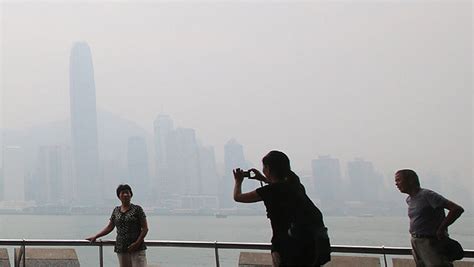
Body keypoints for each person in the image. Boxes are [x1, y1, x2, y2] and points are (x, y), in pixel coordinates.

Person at [233, 150, 330, 267]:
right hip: (312, 246)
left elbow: (238, 197)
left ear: (268, 168)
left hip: (287, 248)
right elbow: (280, 187)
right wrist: (264, 179)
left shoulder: (269, 191)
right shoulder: (296, 186)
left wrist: (238, 181)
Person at [395, 169, 464, 267]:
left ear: (410, 180)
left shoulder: (427, 195)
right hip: (416, 241)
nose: (396, 184)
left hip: (431, 241)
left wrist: (441, 228)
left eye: (398, 180)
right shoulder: (409, 199)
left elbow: (456, 209)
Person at [87, 184, 149, 267]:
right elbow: (110, 227)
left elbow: (145, 228)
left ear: (131, 195)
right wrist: (96, 236)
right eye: (123, 193)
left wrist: (137, 243)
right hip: (121, 248)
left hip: (137, 248)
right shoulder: (116, 210)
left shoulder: (137, 209)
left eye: (127, 192)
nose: (125, 195)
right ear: (119, 196)